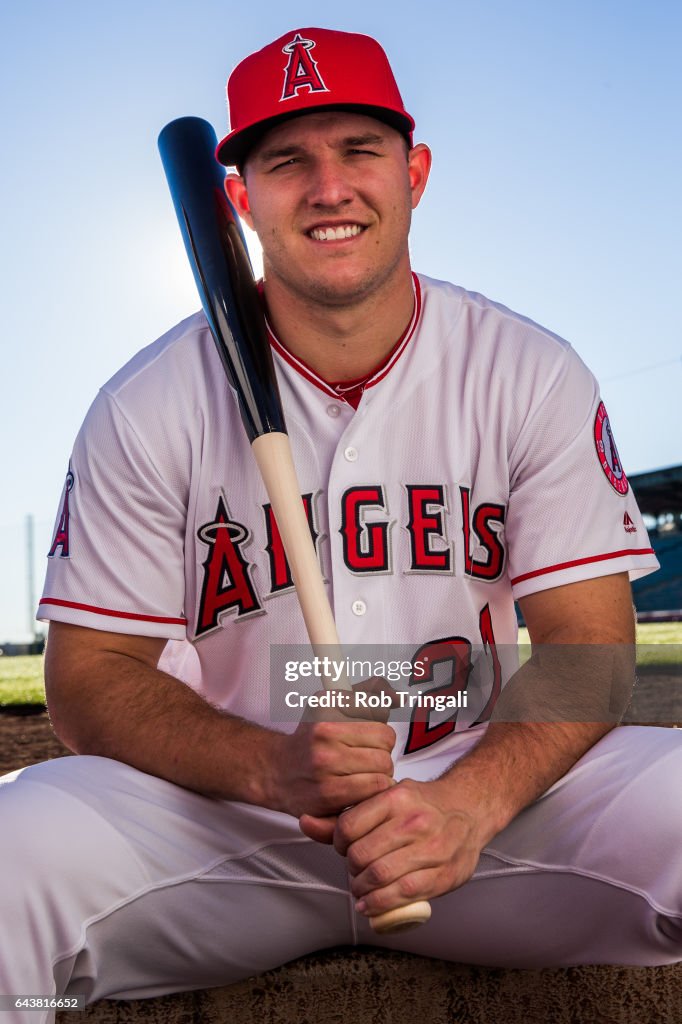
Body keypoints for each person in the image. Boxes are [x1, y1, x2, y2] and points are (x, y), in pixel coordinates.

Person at [1, 26, 680, 1021]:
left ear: (414, 172)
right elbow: (88, 678)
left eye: (358, 151)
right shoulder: (148, 401)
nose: (328, 187)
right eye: (286, 161)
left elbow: (590, 649)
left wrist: (473, 801)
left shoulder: (522, 370)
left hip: (489, 811)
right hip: (223, 824)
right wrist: (268, 766)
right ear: (238, 199)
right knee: (12, 844)